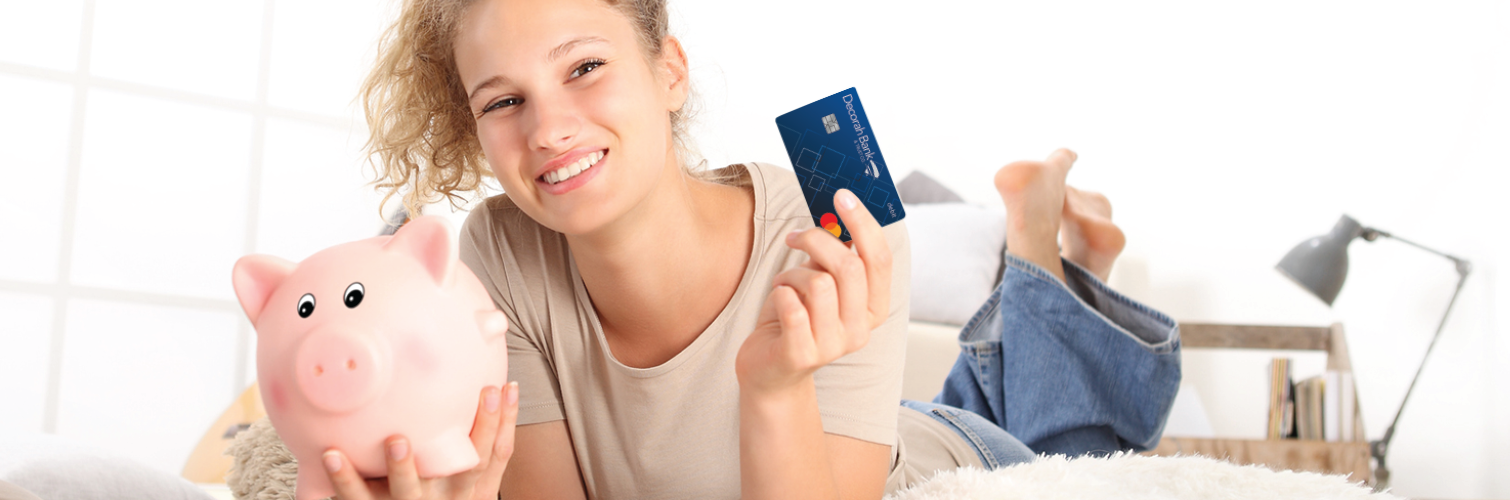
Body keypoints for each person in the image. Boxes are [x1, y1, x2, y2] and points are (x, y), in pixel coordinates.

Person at [315, 0, 1182, 498]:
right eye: (504, 101)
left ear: (670, 70)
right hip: (876, 425)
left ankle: (1038, 251)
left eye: (584, 68)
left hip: (922, 463)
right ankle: (1047, 276)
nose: (549, 129)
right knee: (978, 389)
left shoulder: (830, 216)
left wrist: (774, 389)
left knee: (1077, 443)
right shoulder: (498, 249)